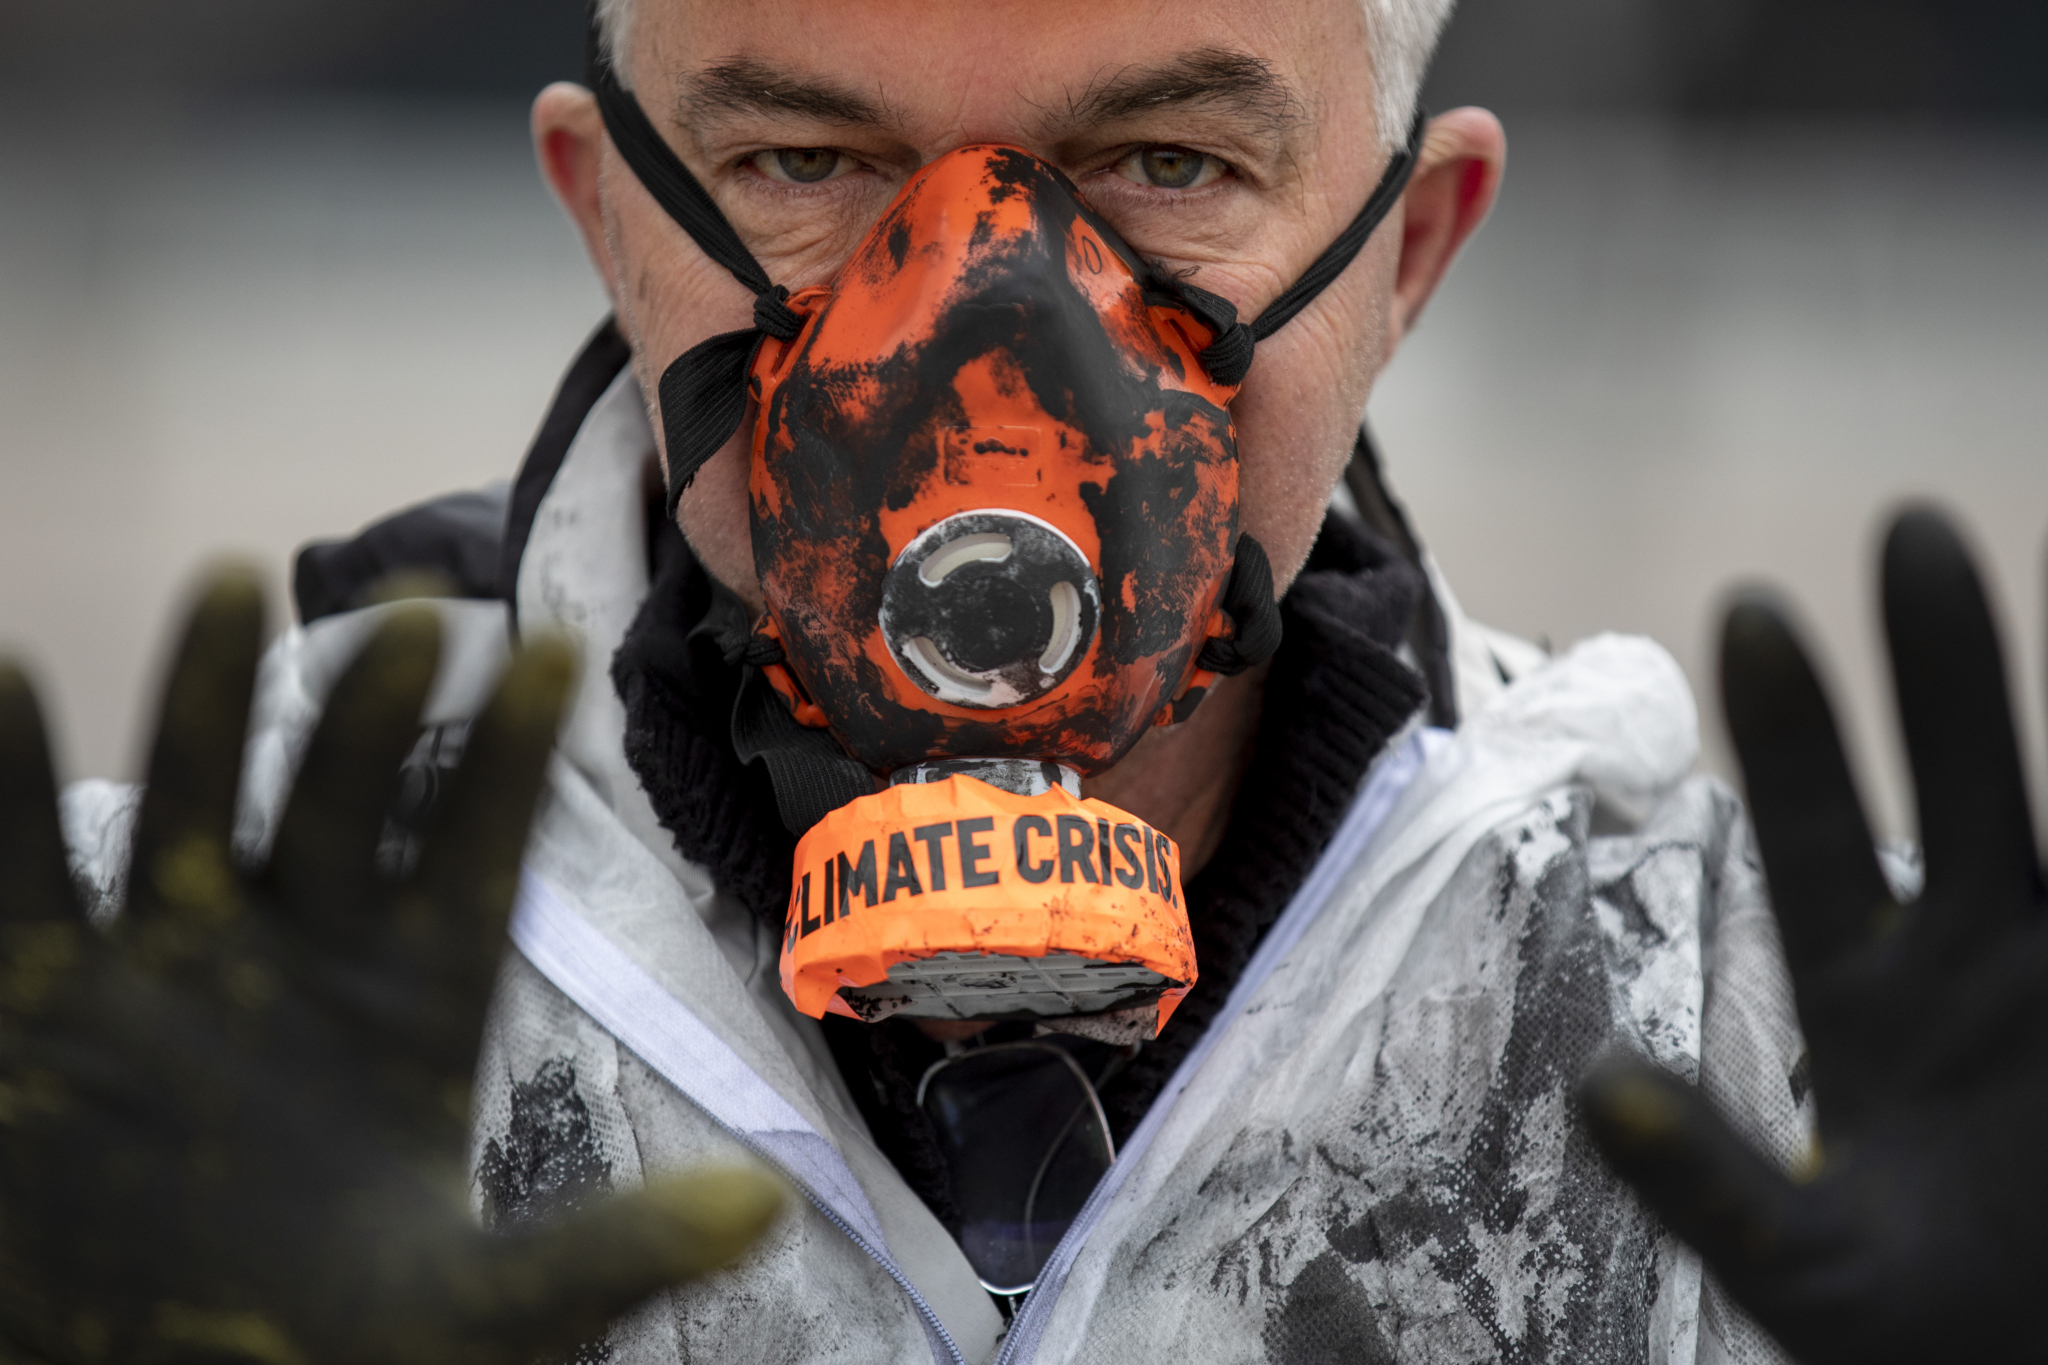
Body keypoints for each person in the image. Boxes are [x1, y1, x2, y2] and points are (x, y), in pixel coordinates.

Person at [7, 1, 2043, 1362]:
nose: (981, 334)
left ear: (1407, 251)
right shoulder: (128, 1020)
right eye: (803, 159)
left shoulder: (1799, 1057)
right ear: (616, 216)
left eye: (1166, 162)